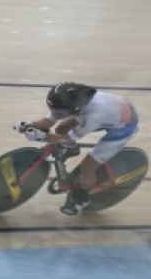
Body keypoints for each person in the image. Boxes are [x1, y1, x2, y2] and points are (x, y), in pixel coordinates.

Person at [15, 82, 140, 214]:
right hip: (112, 113)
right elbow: (48, 121)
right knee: (61, 128)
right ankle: (66, 150)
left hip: (123, 127)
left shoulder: (94, 116)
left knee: (87, 167)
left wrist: (43, 137)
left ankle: (82, 199)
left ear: (75, 108)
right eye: (54, 110)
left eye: (60, 112)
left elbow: (70, 138)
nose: (55, 114)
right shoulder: (69, 102)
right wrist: (29, 124)